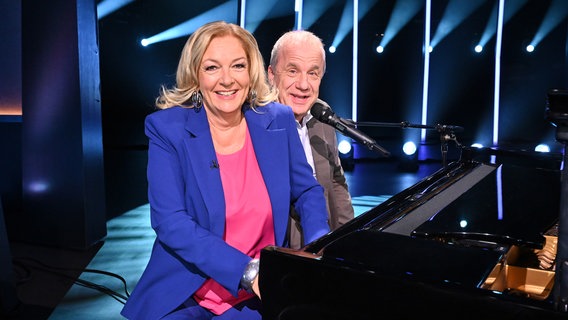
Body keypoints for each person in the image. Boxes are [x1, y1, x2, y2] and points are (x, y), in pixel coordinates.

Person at [121, 21, 330, 320]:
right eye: (212, 68)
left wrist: (317, 244)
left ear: (251, 71)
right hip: (187, 288)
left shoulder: (278, 120)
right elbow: (171, 222)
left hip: (254, 295)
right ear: (195, 73)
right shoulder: (167, 129)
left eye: (237, 66)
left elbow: (308, 190)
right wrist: (247, 271)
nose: (227, 80)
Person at [267, 30, 354, 249]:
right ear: (271, 75)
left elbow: (336, 184)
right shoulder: (255, 123)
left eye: (313, 74)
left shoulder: (322, 115)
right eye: (293, 71)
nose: (304, 85)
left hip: (319, 242)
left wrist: (349, 242)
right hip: (276, 249)